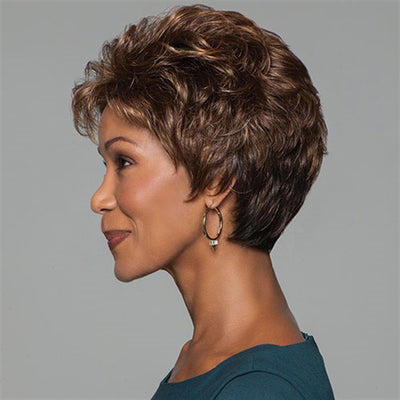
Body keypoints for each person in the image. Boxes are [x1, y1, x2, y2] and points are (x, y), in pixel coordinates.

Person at [71, 4, 335, 399]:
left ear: (216, 179)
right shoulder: (204, 362)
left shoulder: (258, 389)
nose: (99, 199)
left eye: (124, 162)